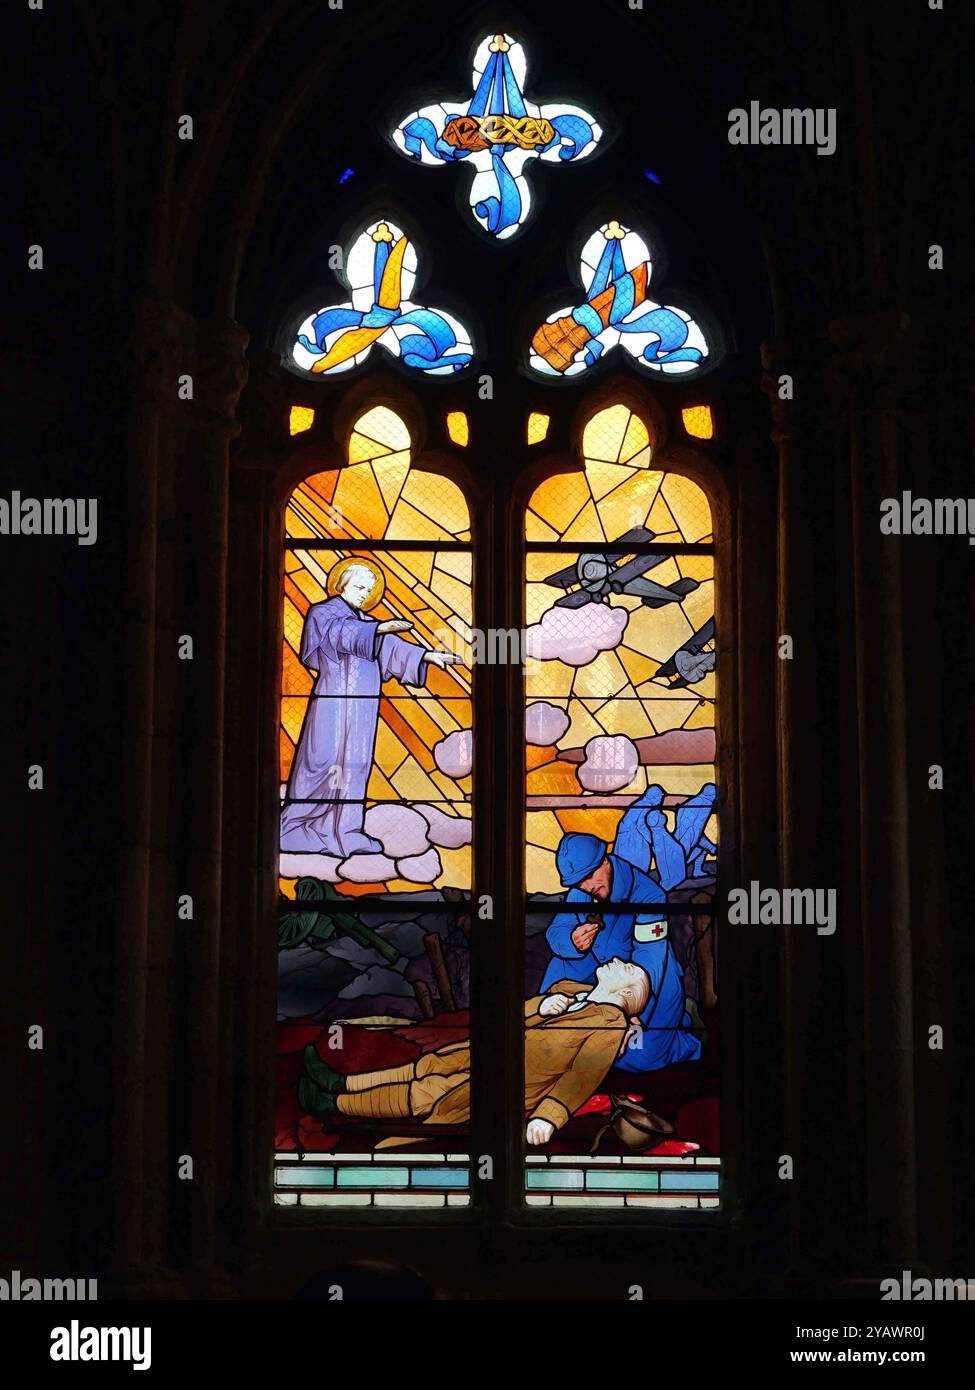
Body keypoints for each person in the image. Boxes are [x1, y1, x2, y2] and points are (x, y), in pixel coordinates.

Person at [298, 958, 651, 1146]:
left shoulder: (611, 1025)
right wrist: (541, 1006)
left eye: (627, 969)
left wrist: (549, 1116)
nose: (619, 960)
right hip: (490, 1050)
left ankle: (333, 1103)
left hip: (515, 1078)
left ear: (625, 992)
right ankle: (341, 1083)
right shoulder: (570, 989)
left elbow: (581, 1077)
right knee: (429, 1066)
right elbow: (522, 1013)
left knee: (433, 1093)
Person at [280, 562, 461, 857]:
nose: (364, 594)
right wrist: (377, 628)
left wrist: (427, 656)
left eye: (368, 590)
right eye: (358, 587)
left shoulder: (367, 624)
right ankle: (296, 827)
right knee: (323, 761)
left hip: (362, 707)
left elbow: (389, 647)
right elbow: (340, 634)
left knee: (355, 764)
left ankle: (346, 832)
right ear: (341, 585)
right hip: (333, 703)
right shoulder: (322, 614)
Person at [540, 830, 702, 1071]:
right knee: (547, 1032)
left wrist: (626, 1013)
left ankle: (684, 1028)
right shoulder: (580, 891)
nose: (587, 887)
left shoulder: (648, 895)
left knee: (639, 1054)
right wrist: (571, 941)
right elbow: (555, 931)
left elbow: (650, 960)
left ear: (606, 860)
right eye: (578, 882)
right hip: (599, 982)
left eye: (590, 876)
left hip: (648, 987)